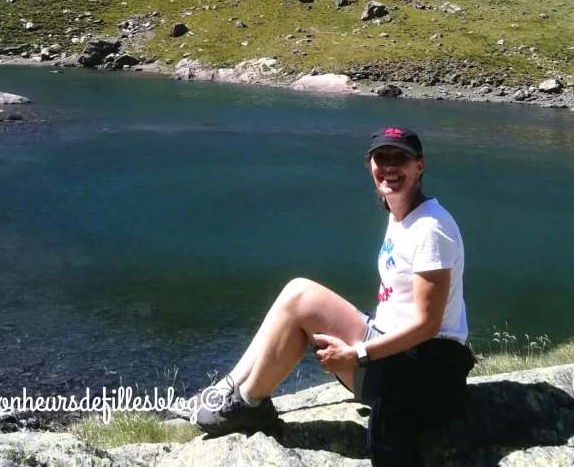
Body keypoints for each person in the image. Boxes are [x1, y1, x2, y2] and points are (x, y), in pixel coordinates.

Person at [189, 125, 472, 438]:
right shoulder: (401, 215)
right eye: (381, 158)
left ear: (419, 166)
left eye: (400, 158)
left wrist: (358, 354)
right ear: (370, 165)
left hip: (422, 375)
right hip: (398, 356)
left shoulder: (430, 228)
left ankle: (246, 402)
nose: (389, 167)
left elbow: (427, 326)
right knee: (295, 297)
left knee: (300, 296)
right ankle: (231, 391)